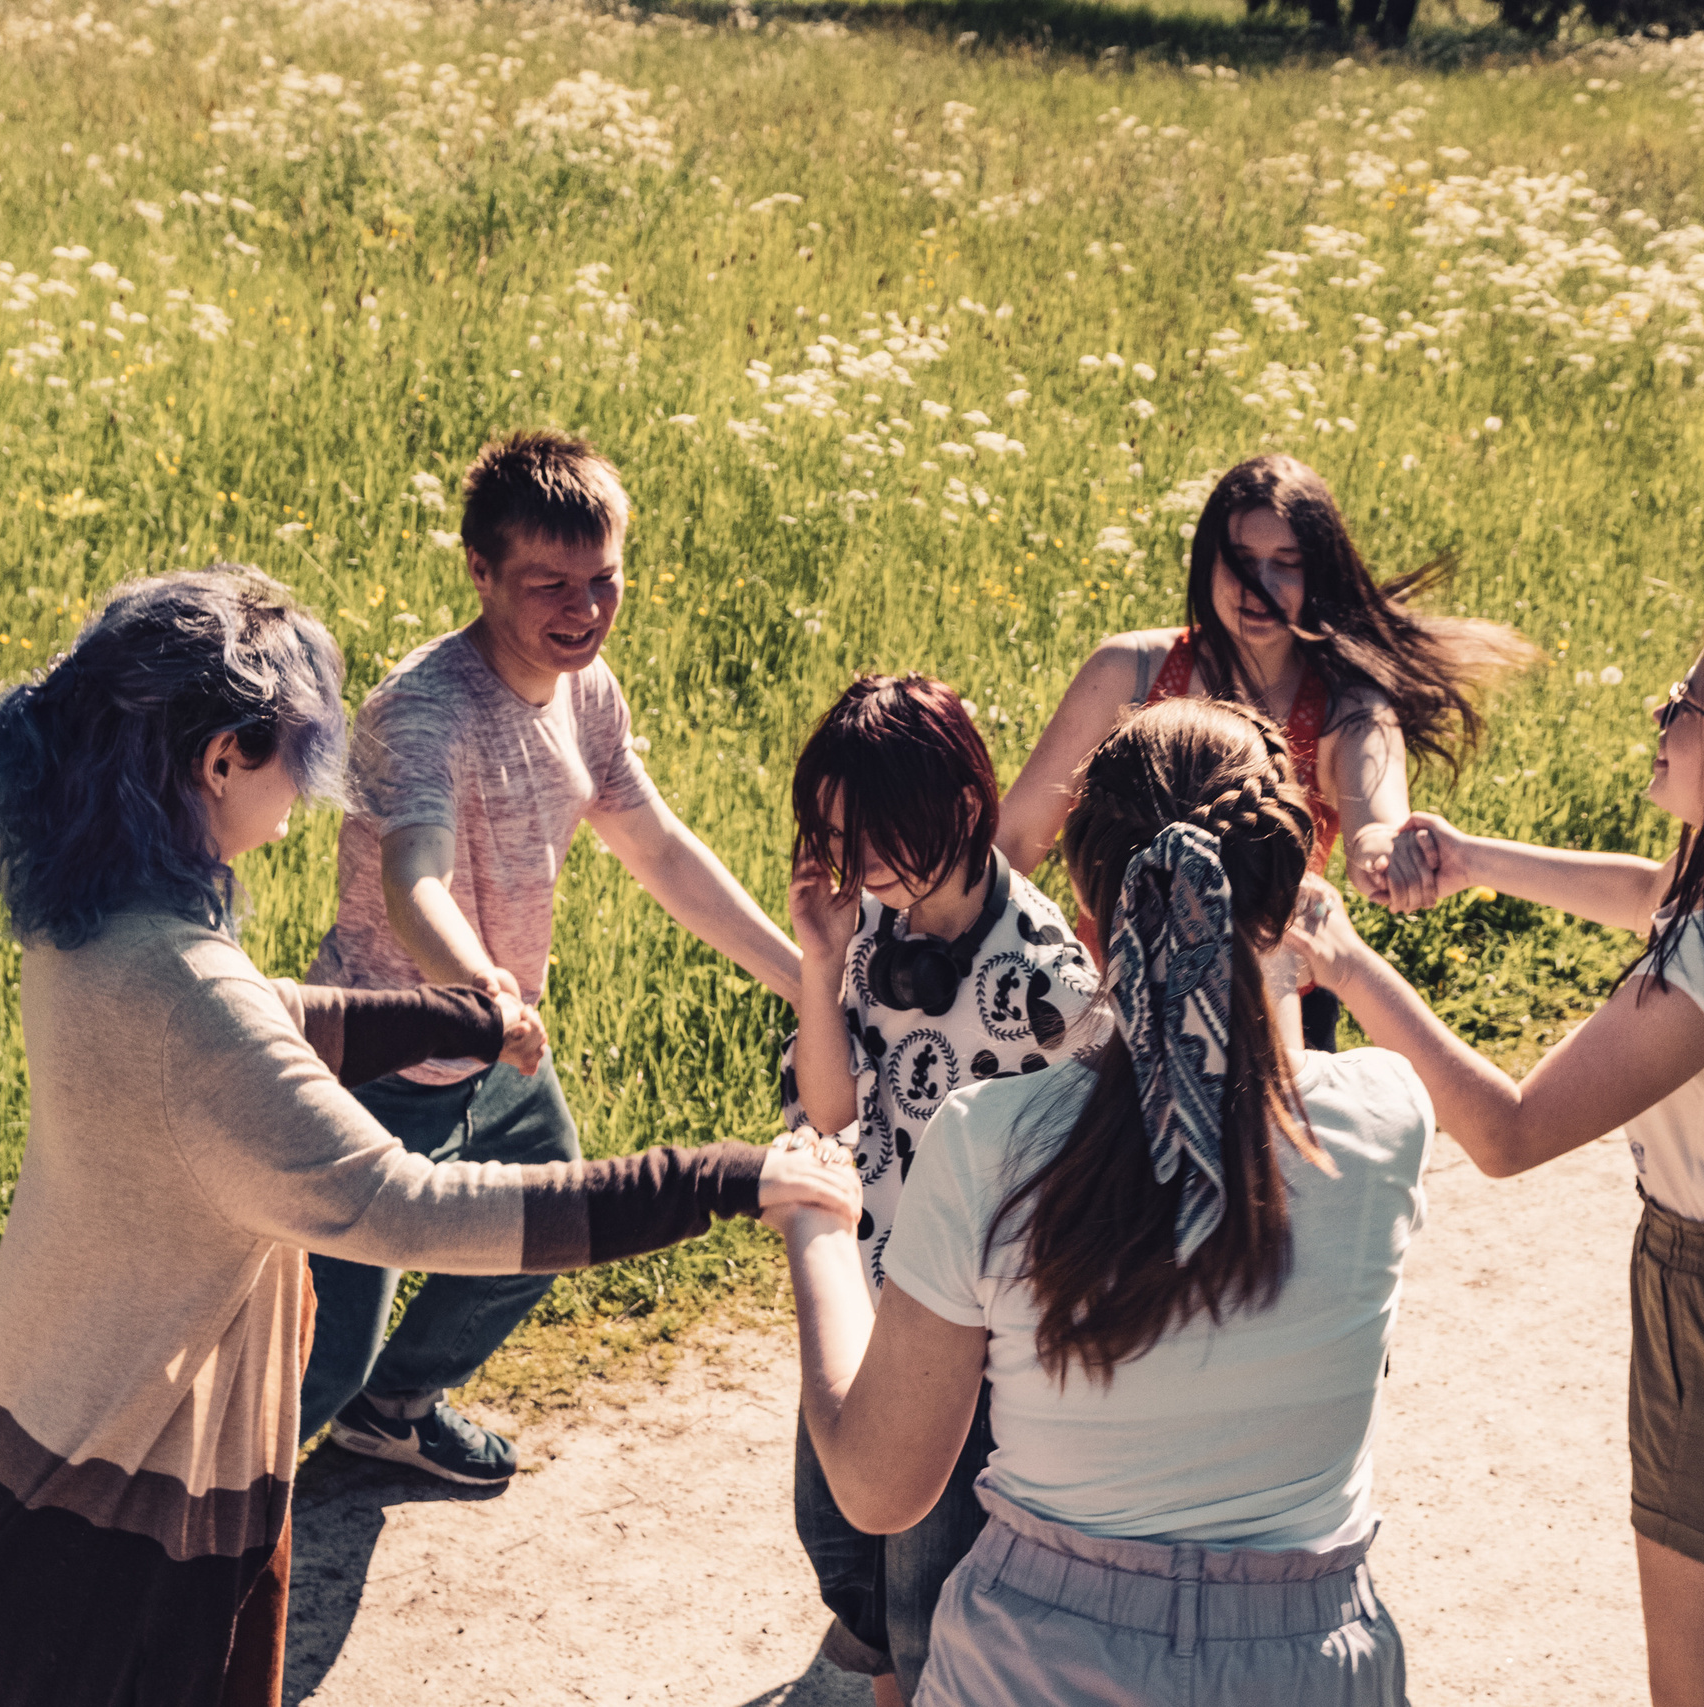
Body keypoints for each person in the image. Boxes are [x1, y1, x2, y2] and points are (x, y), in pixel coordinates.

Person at [0, 568, 855, 1706]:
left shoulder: (94, 926)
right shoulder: (189, 998)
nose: (306, 793)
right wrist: (726, 1178)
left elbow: (263, 1021)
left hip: (22, 1428)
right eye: (297, 754)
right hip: (117, 1499)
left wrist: (453, 1018)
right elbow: (408, 1206)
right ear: (221, 758)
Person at [1293, 604, 1704, 1707]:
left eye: (1688, 703)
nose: (1661, 714)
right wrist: (1475, 860)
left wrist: (1347, 967)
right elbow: (1646, 895)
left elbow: (1509, 1131)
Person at [774, 697, 1434, 1707]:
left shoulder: (985, 1138)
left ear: (1086, 916)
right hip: (1304, 1668)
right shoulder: (1391, 1116)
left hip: (1035, 1667)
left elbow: (876, 1487)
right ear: (1295, 884)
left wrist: (818, 1231)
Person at [298, 429, 804, 1484]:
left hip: (503, 1054)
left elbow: (657, 847)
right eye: (549, 585)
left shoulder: (588, 690)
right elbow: (413, 876)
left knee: (546, 1228)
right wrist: (479, 988)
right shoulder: (422, 712)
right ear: (479, 572)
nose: (583, 610)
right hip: (382, 1066)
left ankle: (396, 1410)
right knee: (318, 1358)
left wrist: (803, 980)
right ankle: (166, 1524)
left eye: (603, 581)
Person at [779, 673, 1103, 1705]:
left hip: (972, 1339)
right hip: (869, 1294)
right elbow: (825, 1119)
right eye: (839, 836)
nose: (860, 861)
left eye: (880, 831)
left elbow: (1088, 1186)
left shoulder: (1049, 982)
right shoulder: (868, 928)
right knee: (837, 1540)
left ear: (963, 806)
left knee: (928, 1607)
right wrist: (820, 959)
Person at [996, 453, 1533, 1048]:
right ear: (1207, 561)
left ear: (1318, 573)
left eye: (1287, 563)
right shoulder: (1129, 670)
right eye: (1242, 560)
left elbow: (1375, 831)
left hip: (1271, 1018)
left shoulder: (1349, 706)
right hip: (1115, 1001)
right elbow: (1013, 842)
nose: (1261, 585)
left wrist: (1392, 856)